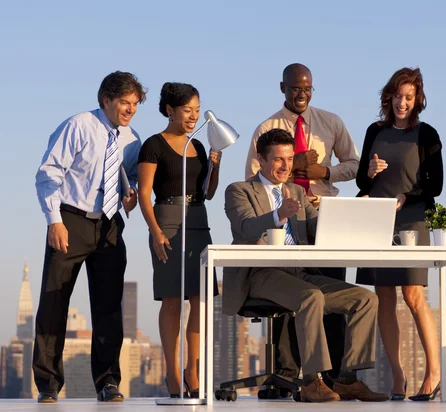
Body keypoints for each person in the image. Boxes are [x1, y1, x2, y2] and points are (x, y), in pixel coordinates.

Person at [225, 129, 388, 402]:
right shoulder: (240, 190)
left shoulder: (297, 192)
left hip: (298, 273)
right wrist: (278, 214)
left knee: (365, 298)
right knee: (311, 298)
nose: (286, 165)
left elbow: (317, 227)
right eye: (278, 159)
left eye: (289, 158)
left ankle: (347, 379)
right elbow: (245, 228)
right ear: (261, 160)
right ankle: (313, 382)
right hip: (260, 273)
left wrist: (355, 212)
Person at [245, 63, 359, 390]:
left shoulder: (331, 122)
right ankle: (286, 374)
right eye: (296, 88)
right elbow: (252, 179)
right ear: (283, 88)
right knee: (287, 294)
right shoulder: (267, 127)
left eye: (307, 88)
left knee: (332, 293)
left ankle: (335, 376)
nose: (301, 94)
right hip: (284, 219)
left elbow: (353, 165)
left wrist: (323, 172)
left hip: (324, 216)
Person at [33, 71, 146, 403]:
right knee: (55, 301)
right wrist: (54, 220)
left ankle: (108, 382)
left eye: (135, 103)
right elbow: (48, 173)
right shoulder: (78, 126)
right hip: (71, 220)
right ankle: (48, 385)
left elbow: (131, 179)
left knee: (109, 306)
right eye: (124, 103)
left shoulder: (132, 139)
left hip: (110, 224)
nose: (130, 109)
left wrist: (131, 195)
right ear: (106, 101)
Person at [355, 68, 443, 401]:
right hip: (376, 218)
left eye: (409, 97)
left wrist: (408, 197)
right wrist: (369, 173)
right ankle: (397, 375)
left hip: (411, 217)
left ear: (417, 99)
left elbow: (436, 185)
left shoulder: (427, 133)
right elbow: (364, 183)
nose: (402, 102)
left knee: (413, 295)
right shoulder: (374, 131)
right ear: (388, 97)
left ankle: (433, 373)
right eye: (398, 96)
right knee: (385, 297)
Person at [137, 82, 221, 398]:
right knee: (173, 300)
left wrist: (215, 167)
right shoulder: (153, 145)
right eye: (187, 110)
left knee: (200, 301)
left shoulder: (198, 146)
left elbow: (208, 193)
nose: (193, 116)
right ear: (170, 110)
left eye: (197, 110)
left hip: (199, 222)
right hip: (167, 223)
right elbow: (145, 194)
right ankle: (172, 373)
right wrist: (155, 231)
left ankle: (192, 371)